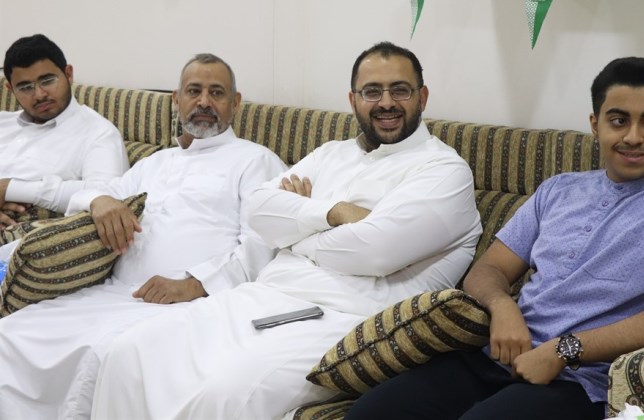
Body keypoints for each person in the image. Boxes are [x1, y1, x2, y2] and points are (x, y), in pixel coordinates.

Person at [89, 41, 483, 419]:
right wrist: (334, 212)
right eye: (371, 91)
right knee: (128, 353)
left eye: (400, 90)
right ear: (352, 100)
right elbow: (259, 210)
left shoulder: (443, 171)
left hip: (342, 319)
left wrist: (296, 232)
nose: (385, 102)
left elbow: (375, 252)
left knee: (223, 396)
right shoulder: (332, 153)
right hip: (261, 295)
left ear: (422, 97)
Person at [344, 57, 644, 420]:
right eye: (619, 121)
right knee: (369, 415)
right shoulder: (558, 190)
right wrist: (502, 307)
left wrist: (565, 349)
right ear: (595, 124)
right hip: (495, 357)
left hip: (582, 382)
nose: (634, 136)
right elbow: (489, 269)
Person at [0, 53, 287, 420]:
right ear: (176, 99)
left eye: (216, 92)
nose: (204, 102)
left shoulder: (255, 160)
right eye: (194, 91)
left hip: (195, 303)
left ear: (236, 103)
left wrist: (196, 284)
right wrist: (100, 200)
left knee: (105, 354)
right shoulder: (154, 163)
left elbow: (262, 245)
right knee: (14, 332)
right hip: (112, 293)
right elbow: (95, 195)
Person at [0, 33, 129, 229]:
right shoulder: (4, 122)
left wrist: (10, 188)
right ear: (10, 89)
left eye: (47, 80)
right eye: (25, 87)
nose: (39, 94)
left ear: (68, 74)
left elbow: (108, 194)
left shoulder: (98, 133)